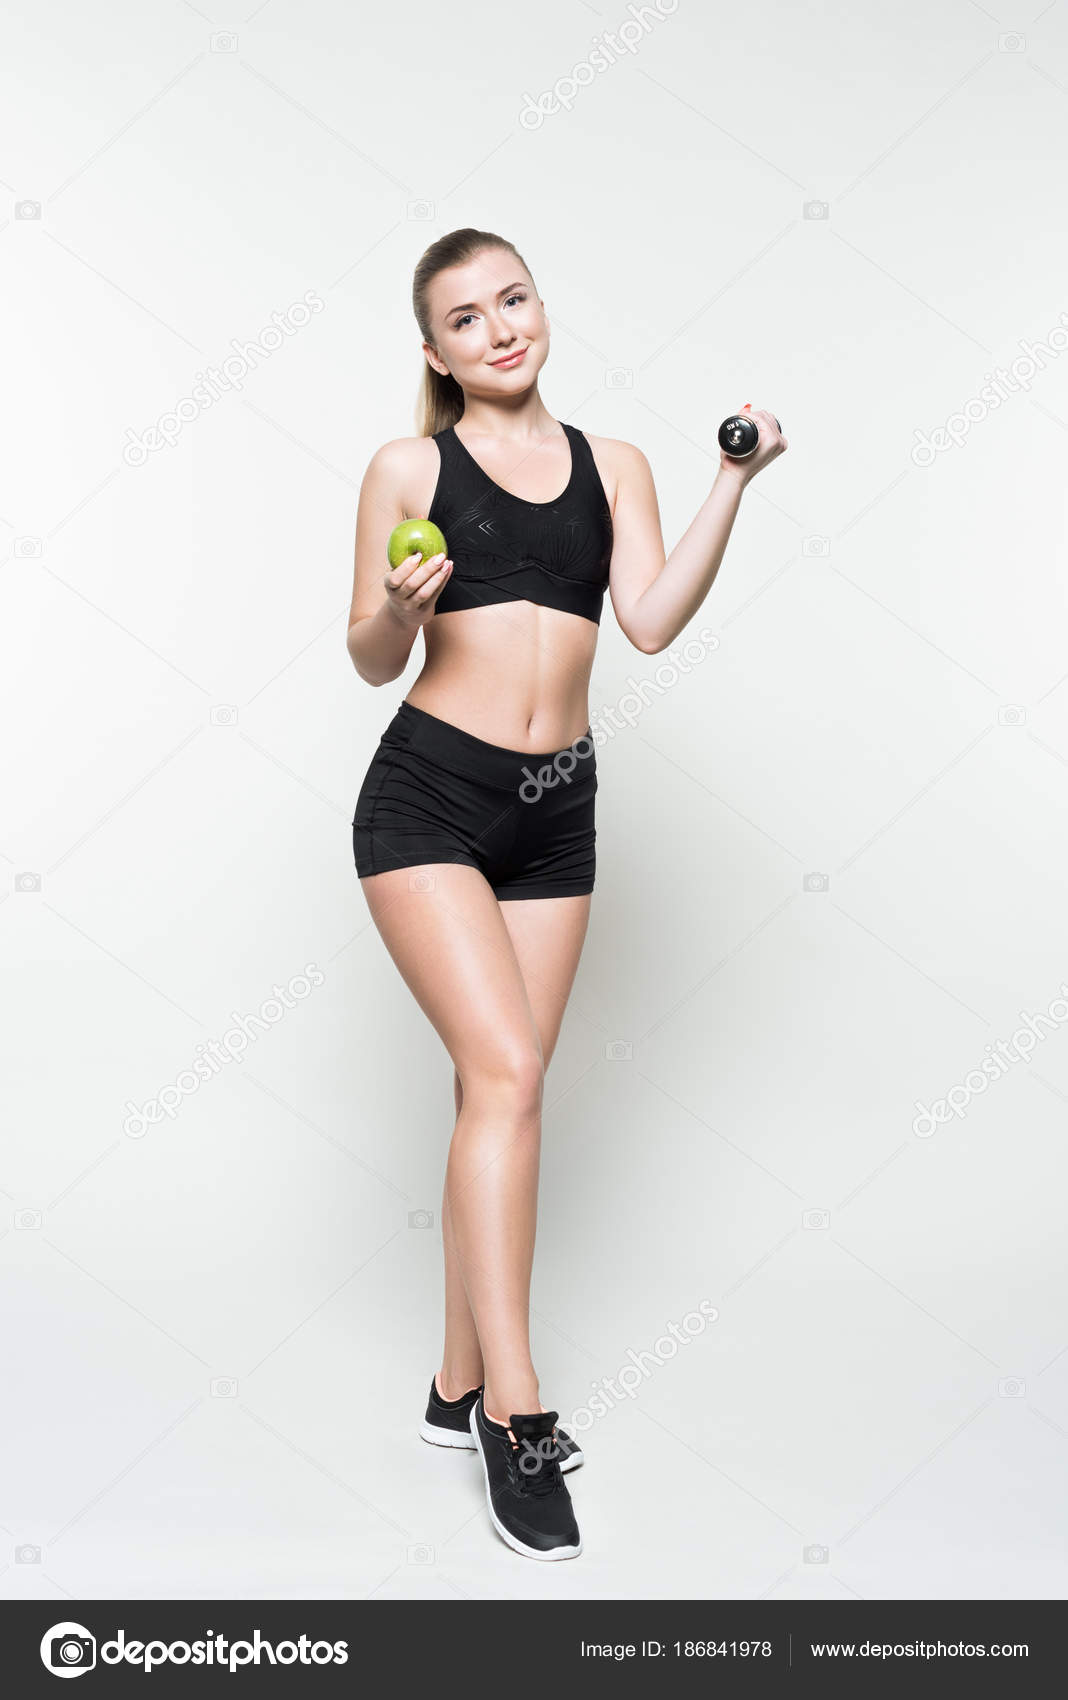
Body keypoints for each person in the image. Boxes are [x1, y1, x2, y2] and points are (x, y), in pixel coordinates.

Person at [347, 227, 786, 1561]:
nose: (499, 329)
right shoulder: (409, 467)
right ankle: (514, 1414)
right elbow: (368, 658)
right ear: (435, 353)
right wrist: (401, 604)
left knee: (503, 1088)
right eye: (466, 319)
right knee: (511, 1073)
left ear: (541, 309)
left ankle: (448, 1382)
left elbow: (647, 619)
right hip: (427, 799)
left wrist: (731, 482)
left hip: (557, 815)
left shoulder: (616, 467)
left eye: (514, 300)